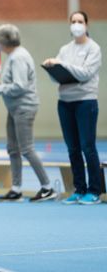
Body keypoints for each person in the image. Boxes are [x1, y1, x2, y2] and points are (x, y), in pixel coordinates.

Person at [0, 24, 56, 202]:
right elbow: (15, 81)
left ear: (3, 42)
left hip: (24, 107)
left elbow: (20, 86)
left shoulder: (18, 57)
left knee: (26, 149)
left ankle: (47, 187)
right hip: (15, 108)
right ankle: (16, 189)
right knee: (13, 149)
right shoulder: (13, 56)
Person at [43, 11, 102, 205]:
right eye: (73, 21)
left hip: (85, 102)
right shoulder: (65, 49)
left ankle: (94, 191)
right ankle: (79, 189)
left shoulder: (93, 48)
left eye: (80, 21)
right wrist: (53, 67)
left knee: (88, 147)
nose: (76, 24)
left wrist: (62, 65)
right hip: (65, 103)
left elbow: (85, 74)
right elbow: (55, 77)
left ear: (86, 24)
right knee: (73, 149)